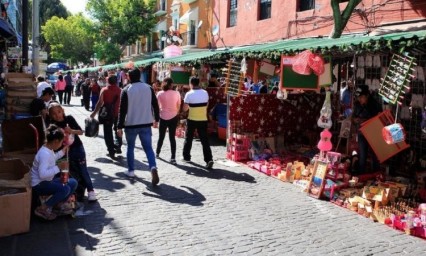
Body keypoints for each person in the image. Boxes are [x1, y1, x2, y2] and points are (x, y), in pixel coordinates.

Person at [117, 68, 160, 185]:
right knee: (148, 148)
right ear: (140, 76)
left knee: (130, 147)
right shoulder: (148, 88)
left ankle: (131, 171)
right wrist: (157, 119)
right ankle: (152, 167)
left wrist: (119, 126)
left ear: (129, 77)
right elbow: (155, 104)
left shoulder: (126, 90)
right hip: (146, 123)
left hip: (131, 124)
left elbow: (122, 110)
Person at [48, 103, 97, 202]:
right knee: (66, 172)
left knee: (83, 170)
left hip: (77, 148)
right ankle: (72, 193)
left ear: (63, 110)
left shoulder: (69, 119)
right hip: (63, 152)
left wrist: (71, 131)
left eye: (59, 111)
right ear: (50, 115)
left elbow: (81, 132)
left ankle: (91, 191)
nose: (57, 115)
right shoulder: (52, 125)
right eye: (54, 114)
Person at [31, 124, 77, 220]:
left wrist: (62, 152)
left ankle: (57, 204)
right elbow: (42, 174)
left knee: (73, 182)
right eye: (61, 143)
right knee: (65, 189)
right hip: (39, 184)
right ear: (56, 141)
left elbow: (52, 158)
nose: (61, 145)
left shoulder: (49, 149)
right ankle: (43, 208)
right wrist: (58, 167)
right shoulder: (44, 154)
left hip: (47, 181)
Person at [182, 77, 214, 169]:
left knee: (189, 138)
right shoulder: (205, 92)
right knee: (205, 140)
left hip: (192, 119)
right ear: (198, 83)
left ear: (191, 83)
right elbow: (207, 105)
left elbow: (184, 108)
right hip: (203, 119)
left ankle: (186, 157)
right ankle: (209, 159)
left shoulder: (189, 94)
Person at [352, 85, 382, 174]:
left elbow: (378, 120)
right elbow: (353, 117)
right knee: (362, 155)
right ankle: (361, 176)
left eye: (361, 97)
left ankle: (376, 176)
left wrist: (363, 120)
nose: (360, 99)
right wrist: (354, 120)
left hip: (373, 133)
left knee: (375, 155)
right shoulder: (357, 104)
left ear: (367, 95)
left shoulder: (375, 105)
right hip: (361, 133)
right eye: (358, 97)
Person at [90, 75, 122, 158]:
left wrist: (93, 113)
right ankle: (118, 146)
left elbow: (100, 103)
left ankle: (111, 151)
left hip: (107, 115)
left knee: (108, 133)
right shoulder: (120, 90)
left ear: (108, 81)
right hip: (117, 114)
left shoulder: (104, 90)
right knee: (118, 130)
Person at [155, 78, 181, 164]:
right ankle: (173, 157)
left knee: (161, 136)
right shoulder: (177, 93)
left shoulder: (160, 93)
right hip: (173, 116)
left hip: (163, 116)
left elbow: (157, 106)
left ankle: (157, 153)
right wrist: (175, 112)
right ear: (171, 84)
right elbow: (178, 105)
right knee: (172, 138)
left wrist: (157, 117)